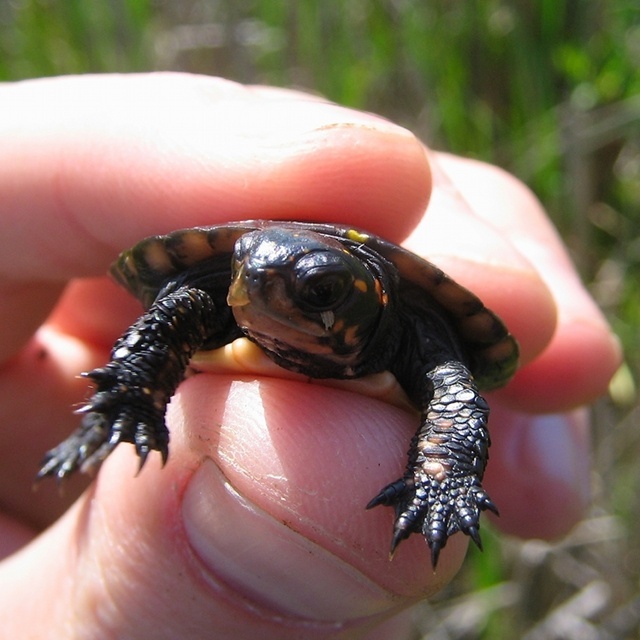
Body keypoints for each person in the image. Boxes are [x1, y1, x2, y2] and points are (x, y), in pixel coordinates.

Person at [0, 74, 620, 639]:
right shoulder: (220, 293)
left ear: (368, 297)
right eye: (246, 273)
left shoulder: (416, 329)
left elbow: (456, 396)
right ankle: (114, 418)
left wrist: (443, 478)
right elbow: (167, 317)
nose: (260, 290)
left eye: (316, 291)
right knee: (176, 312)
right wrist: (134, 395)